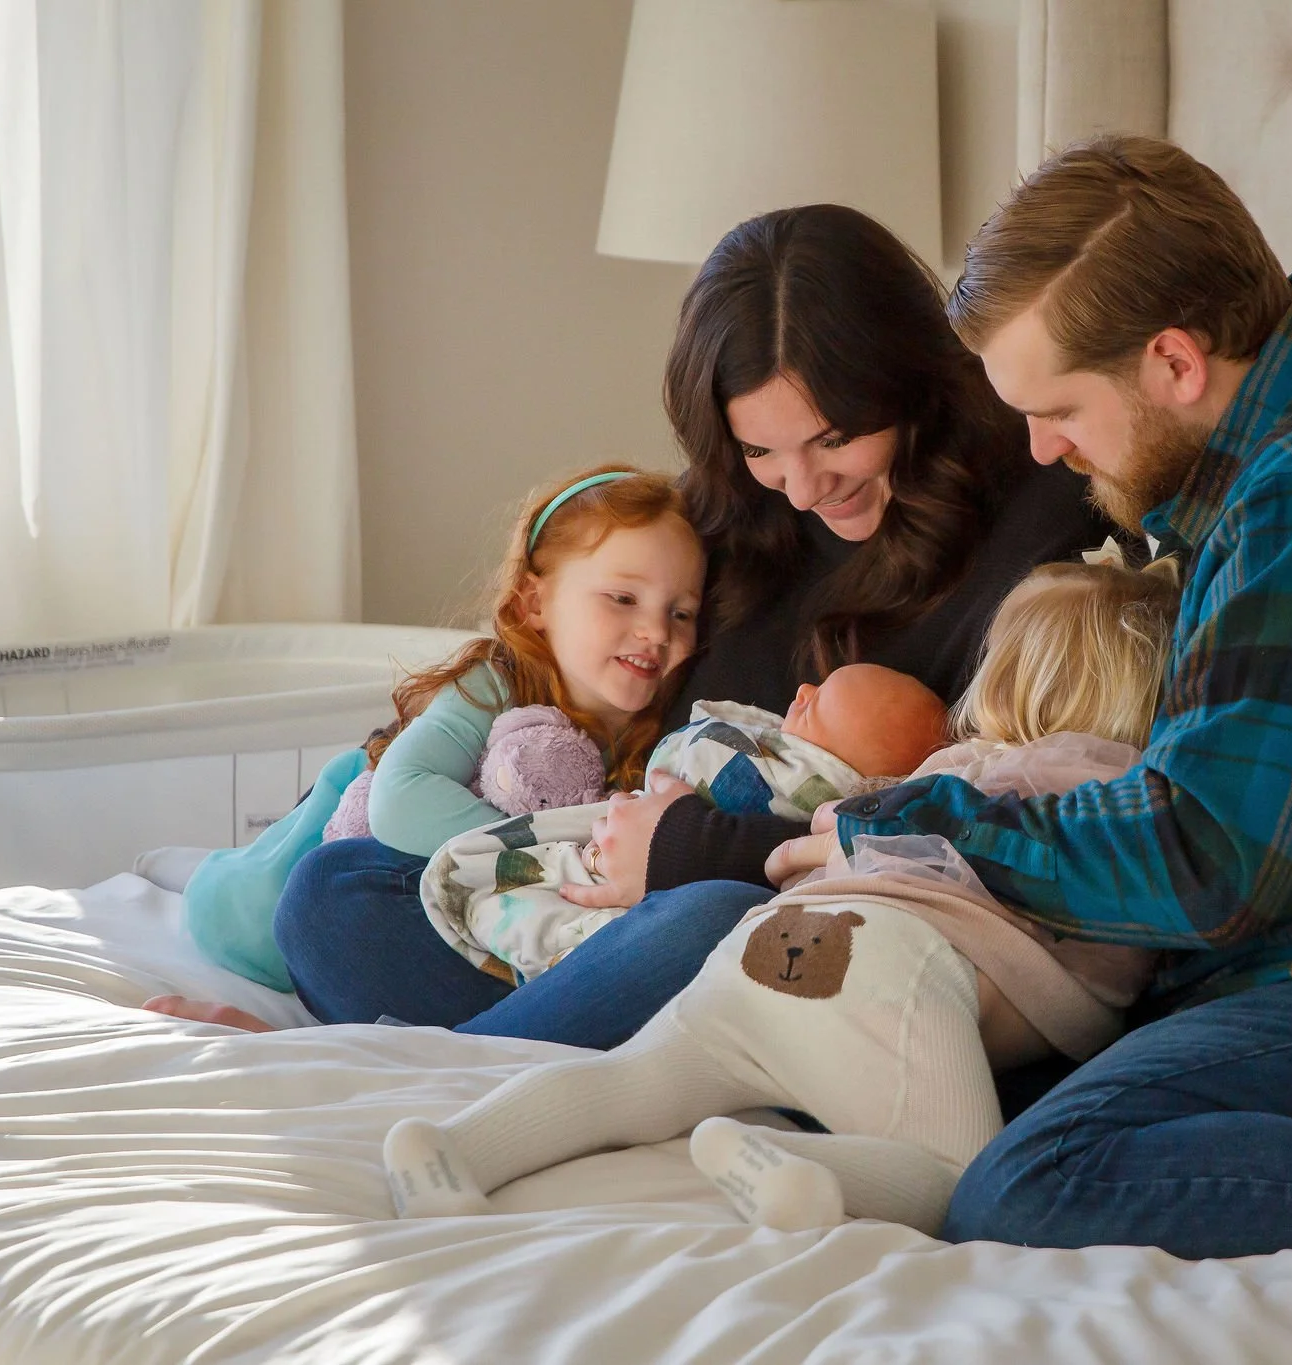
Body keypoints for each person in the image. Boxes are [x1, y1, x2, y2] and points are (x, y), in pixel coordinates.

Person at [767, 134, 1292, 1263]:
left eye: (1057, 407)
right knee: (878, 1103)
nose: (1041, 447)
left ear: (1173, 362)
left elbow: (1207, 865)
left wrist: (908, 821)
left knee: (1028, 1186)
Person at [260, 204, 1116, 1047]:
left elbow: (991, 837)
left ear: (912, 378)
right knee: (331, 893)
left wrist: (702, 850)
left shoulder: (1038, 526)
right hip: (596, 914)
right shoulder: (727, 517)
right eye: (761, 449)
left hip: (777, 922)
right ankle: (553, 1050)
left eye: (835, 438)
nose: (804, 484)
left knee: (707, 920)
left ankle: (494, 1069)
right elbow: (558, 667)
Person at [379, 554, 1181, 1239]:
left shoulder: (943, 774)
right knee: (961, 1178)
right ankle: (797, 1170)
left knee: (633, 1082)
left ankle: (454, 1146)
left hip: (774, 938)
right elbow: (1121, 947)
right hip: (891, 964)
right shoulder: (1112, 782)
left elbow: (828, 833)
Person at [149, 463, 707, 1030]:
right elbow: (402, 799)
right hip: (344, 822)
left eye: (680, 612)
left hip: (451, 910)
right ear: (533, 605)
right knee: (240, 901)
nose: (657, 632)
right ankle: (191, 870)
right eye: (622, 598)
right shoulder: (497, 683)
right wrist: (550, 862)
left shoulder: (664, 733)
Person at [422, 662, 949, 983]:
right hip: (611, 848)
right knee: (345, 877)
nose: (802, 690)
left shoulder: (815, 794)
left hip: (658, 918)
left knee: (696, 917)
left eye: (816, 708)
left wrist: (675, 835)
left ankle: (498, 1025)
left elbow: (711, 772)